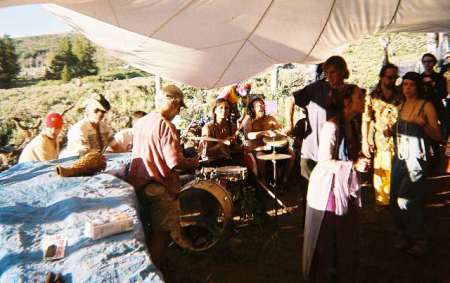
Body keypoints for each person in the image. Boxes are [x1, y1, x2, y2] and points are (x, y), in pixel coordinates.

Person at [127, 84, 199, 268]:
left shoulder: (142, 121)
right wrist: (193, 163)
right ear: (173, 103)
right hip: (158, 188)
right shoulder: (166, 126)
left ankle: (150, 265)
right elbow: (174, 162)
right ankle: (154, 273)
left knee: (149, 230)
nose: (178, 112)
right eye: (179, 107)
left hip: (139, 185)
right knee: (162, 234)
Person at [302, 84, 365, 283]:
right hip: (328, 189)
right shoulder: (332, 126)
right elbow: (325, 161)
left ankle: (340, 271)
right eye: (359, 98)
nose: (363, 101)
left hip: (342, 186)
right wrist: (354, 164)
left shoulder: (352, 123)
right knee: (329, 235)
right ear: (347, 102)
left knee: (344, 233)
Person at [387, 72, 440, 255]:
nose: (408, 88)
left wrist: (424, 124)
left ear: (418, 87)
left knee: (407, 199)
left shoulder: (426, 107)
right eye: (405, 84)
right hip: (399, 158)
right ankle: (405, 236)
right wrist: (390, 131)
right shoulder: (401, 106)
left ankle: (420, 238)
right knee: (394, 199)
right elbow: (398, 131)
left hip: (416, 159)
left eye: (411, 85)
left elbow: (438, 135)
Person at [286, 55, 350, 181]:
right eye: (327, 73)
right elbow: (290, 100)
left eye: (333, 72)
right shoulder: (316, 88)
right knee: (309, 196)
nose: (329, 76)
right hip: (311, 153)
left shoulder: (349, 92)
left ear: (343, 72)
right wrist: (290, 125)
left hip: (335, 155)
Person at [361, 63, 403, 205]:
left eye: (395, 78)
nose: (393, 80)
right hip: (381, 141)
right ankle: (382, 203)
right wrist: (365, 141)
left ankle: (397, 200)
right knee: (382, 171)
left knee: (399, 170)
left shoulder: (401, 93)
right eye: (390, 77)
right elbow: (366, 120)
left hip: (400, 140)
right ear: (381, 77)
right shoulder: (372, 96)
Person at [244, 97, 295, 187]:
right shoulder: (249, 119)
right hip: (257, 148)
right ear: (253, 108)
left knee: (292, 153)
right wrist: (263, 133)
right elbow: (248, 135)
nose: (261, 107)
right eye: (258, 105)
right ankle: (263, 181)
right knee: (260, 155)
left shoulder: (270, 118)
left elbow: (279, 129)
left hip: (270, 147)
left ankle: (284, 180)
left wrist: (282, 132)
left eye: (262, 104)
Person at [420, 53, 448, 173]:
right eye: (425, 61)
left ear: (434, 63)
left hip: (437, 108)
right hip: (423, 110)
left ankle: (438, 164)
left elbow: (443, 93)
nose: (427, 64)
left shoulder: (440, 78)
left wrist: (432, 84)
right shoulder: (418, 78)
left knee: (439, 136)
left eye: (430, 61)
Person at [199, 98, 240, 165]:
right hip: (212, 161)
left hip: (228, 160)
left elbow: (234, 148)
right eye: (221, 108)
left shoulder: (232, 126)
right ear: (215, 110)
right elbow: (205, 152)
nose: (224, 110)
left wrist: (239, 146)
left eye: (226, 108)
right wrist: (221, 143)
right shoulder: (208, 127)